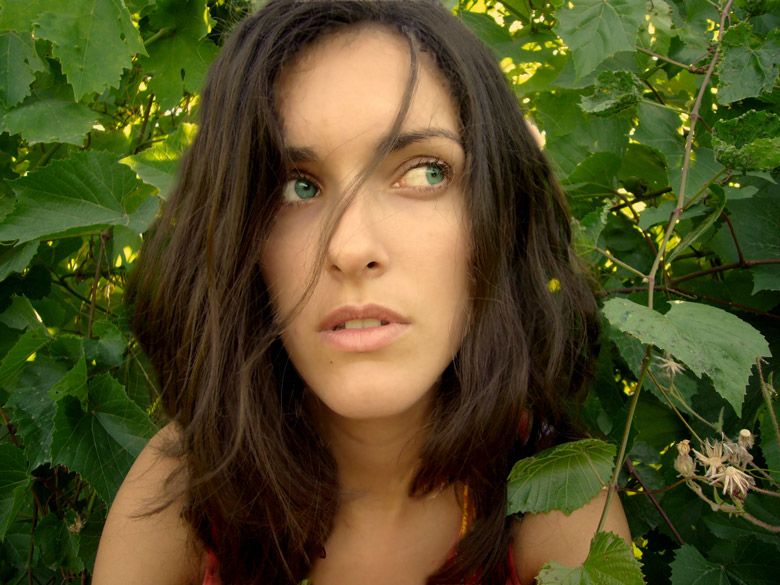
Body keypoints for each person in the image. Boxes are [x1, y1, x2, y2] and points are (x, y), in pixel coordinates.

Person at [93, 1, 631, 584]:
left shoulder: (558, 503)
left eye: (425, 172)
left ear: (501, 214)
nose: (350, 247)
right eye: (296, 187)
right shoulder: (182, 495)